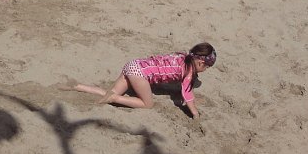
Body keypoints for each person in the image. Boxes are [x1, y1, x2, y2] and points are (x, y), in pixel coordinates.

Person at [71, 43, 216, 119]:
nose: (206, 70)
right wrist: (195, 113)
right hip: (139, 74)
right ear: (200, 63)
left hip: (133, 64)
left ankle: (79, 87)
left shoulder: (183, 56)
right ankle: (115, 98)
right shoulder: (189, 72)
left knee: (110, 92)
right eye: (207, 67)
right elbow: (187, 94)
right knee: (147, 104)